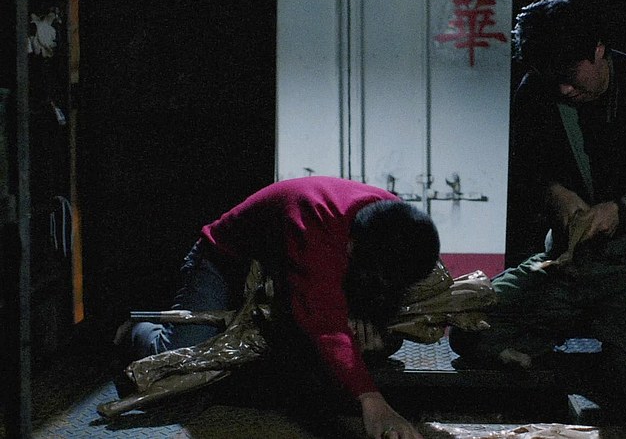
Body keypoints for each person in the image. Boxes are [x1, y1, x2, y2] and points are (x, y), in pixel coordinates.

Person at [450, 0, 626, 412]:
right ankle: (571, 345)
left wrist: (621, 210)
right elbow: (525, 175)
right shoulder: (538, 91)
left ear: (599, 50)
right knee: (469, 330)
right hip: (566, 262)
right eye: (553, 79)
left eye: (569, 76)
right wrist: (552, 192)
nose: (564, 89)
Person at [118, 176, 439, 439]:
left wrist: (374, 323)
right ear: (352, 245)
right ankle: (135, 331)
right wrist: (371, 400)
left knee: (374, 342)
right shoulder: (314, 221)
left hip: (281, 270)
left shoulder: (396, 224)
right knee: (183, 361)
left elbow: (390, 288)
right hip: (225, 262)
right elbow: (324, 323)